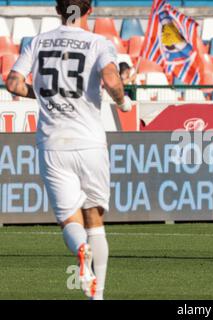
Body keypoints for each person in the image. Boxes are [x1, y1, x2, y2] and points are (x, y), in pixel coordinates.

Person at [6, 0, 132, 299]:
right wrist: (122, 102)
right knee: (95, 220)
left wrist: (47, 93)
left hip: (52, 144)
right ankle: (97, 294)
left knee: (69, 221)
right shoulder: (98, 42)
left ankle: (80, 249)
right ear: (88, 11)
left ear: (57, 10)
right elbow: (112, 79)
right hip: (90, 143)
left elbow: (12, 82)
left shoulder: (37, 41)